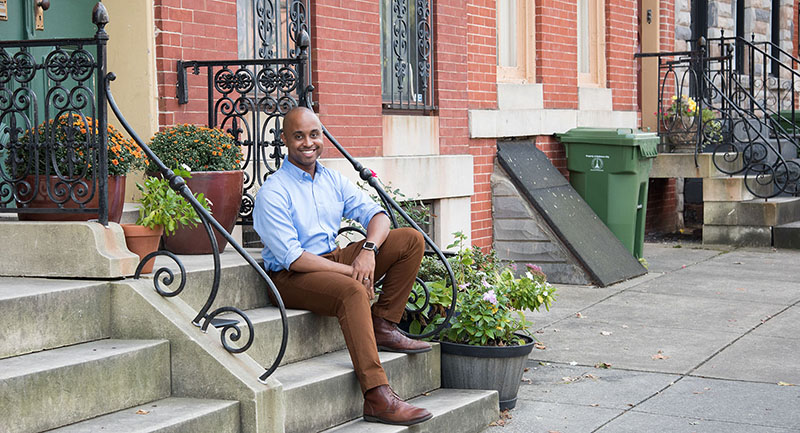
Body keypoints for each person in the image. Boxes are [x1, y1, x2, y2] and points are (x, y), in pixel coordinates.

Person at [253, 106, 433, 426]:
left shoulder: (332, 179)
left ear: (322, 135)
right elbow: (293, 257)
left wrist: (368, 251)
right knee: (352, 290)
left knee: (410, 239)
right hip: (290, 277)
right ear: (284, 140)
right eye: (298, 136)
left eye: (314, 134)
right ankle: (377, 396)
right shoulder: (273, 192)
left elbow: (378, 216)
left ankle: (383, 325)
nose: (308, 143)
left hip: (333, 257)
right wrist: (352, 272)